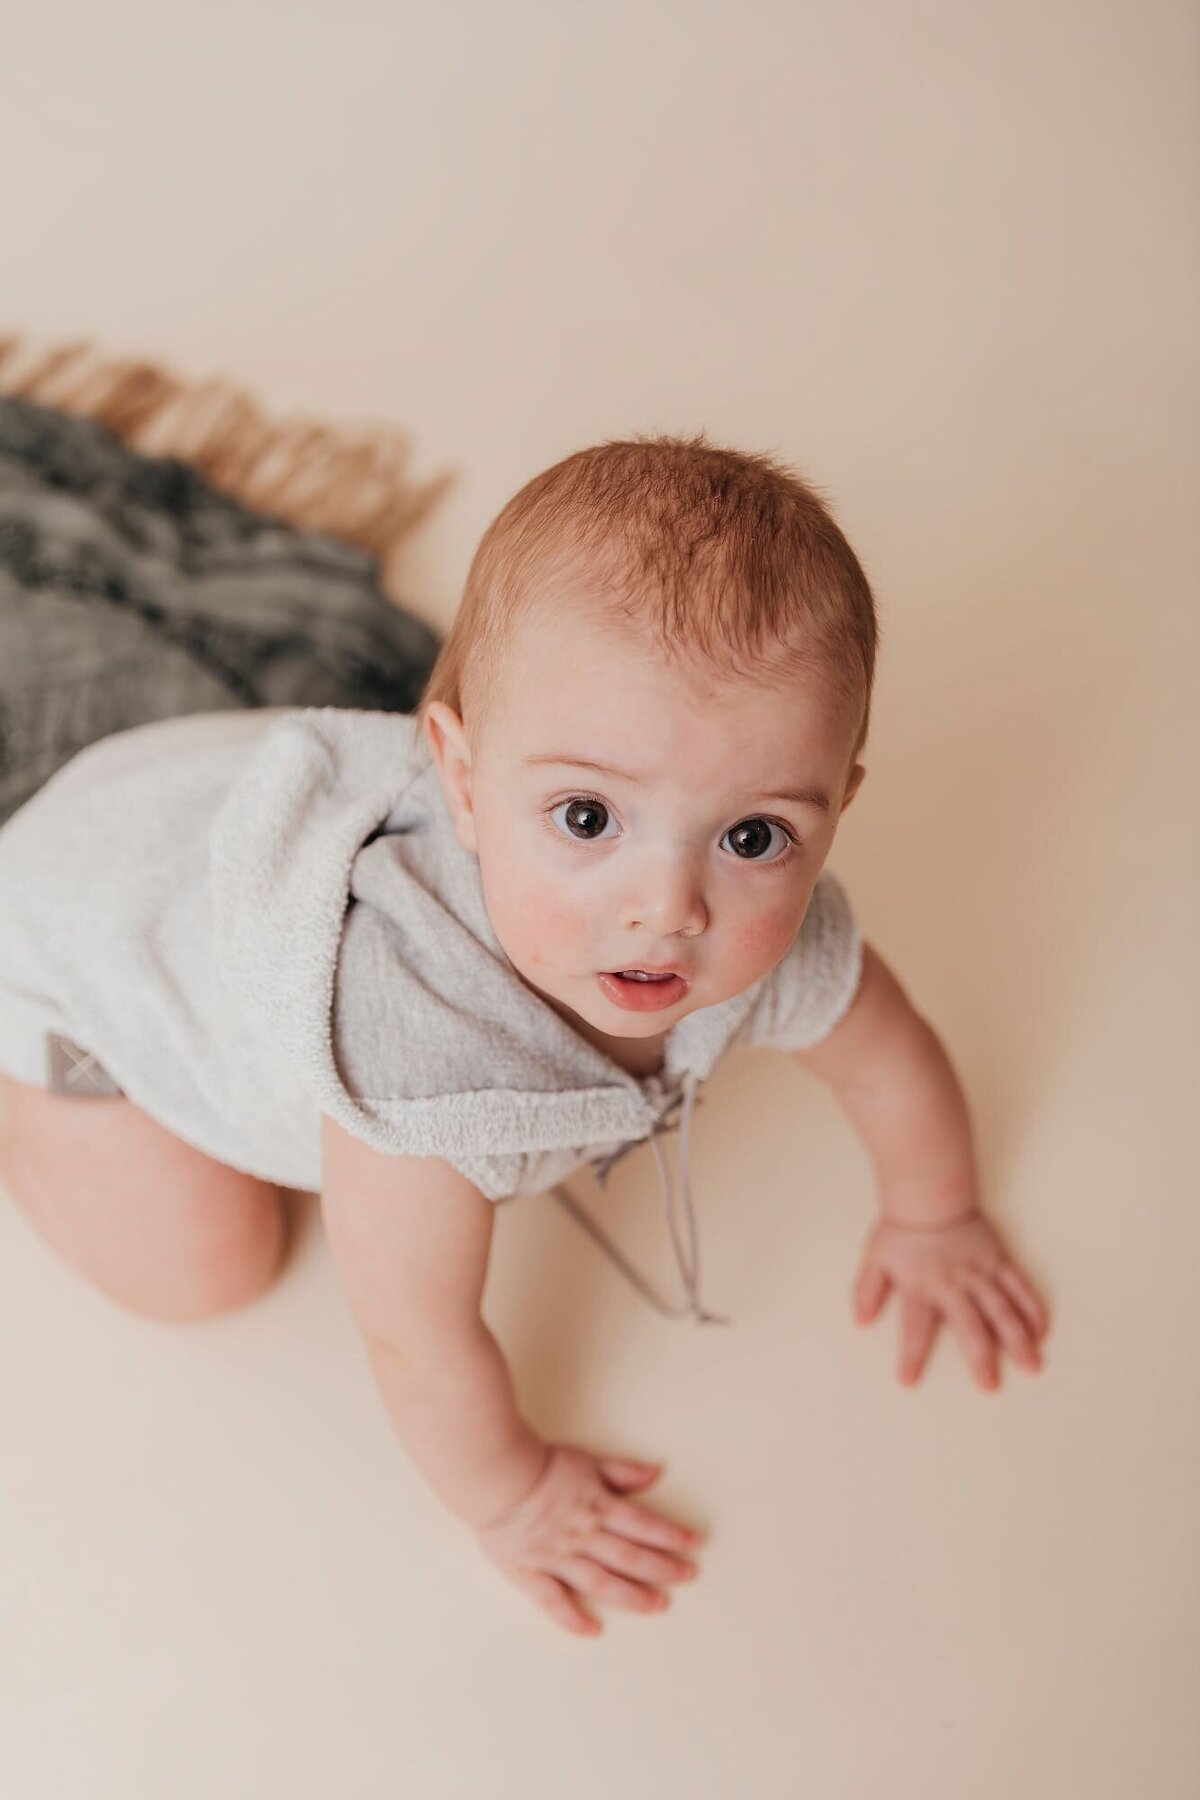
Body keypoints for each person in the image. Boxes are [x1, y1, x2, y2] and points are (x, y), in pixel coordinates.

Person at [0, 432, 1050, 1640]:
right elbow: (416, 1337)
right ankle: (34, 1101)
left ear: (834, 809)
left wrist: (937, 1214)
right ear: (456, 773)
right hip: (86, 970)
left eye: (753, 835)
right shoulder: (418, 1063)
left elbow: (887, 1058)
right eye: (589, 816)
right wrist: (509, 1497)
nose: (670, 906)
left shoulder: (774, 936)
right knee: (201, 1266)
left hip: (184, 802)